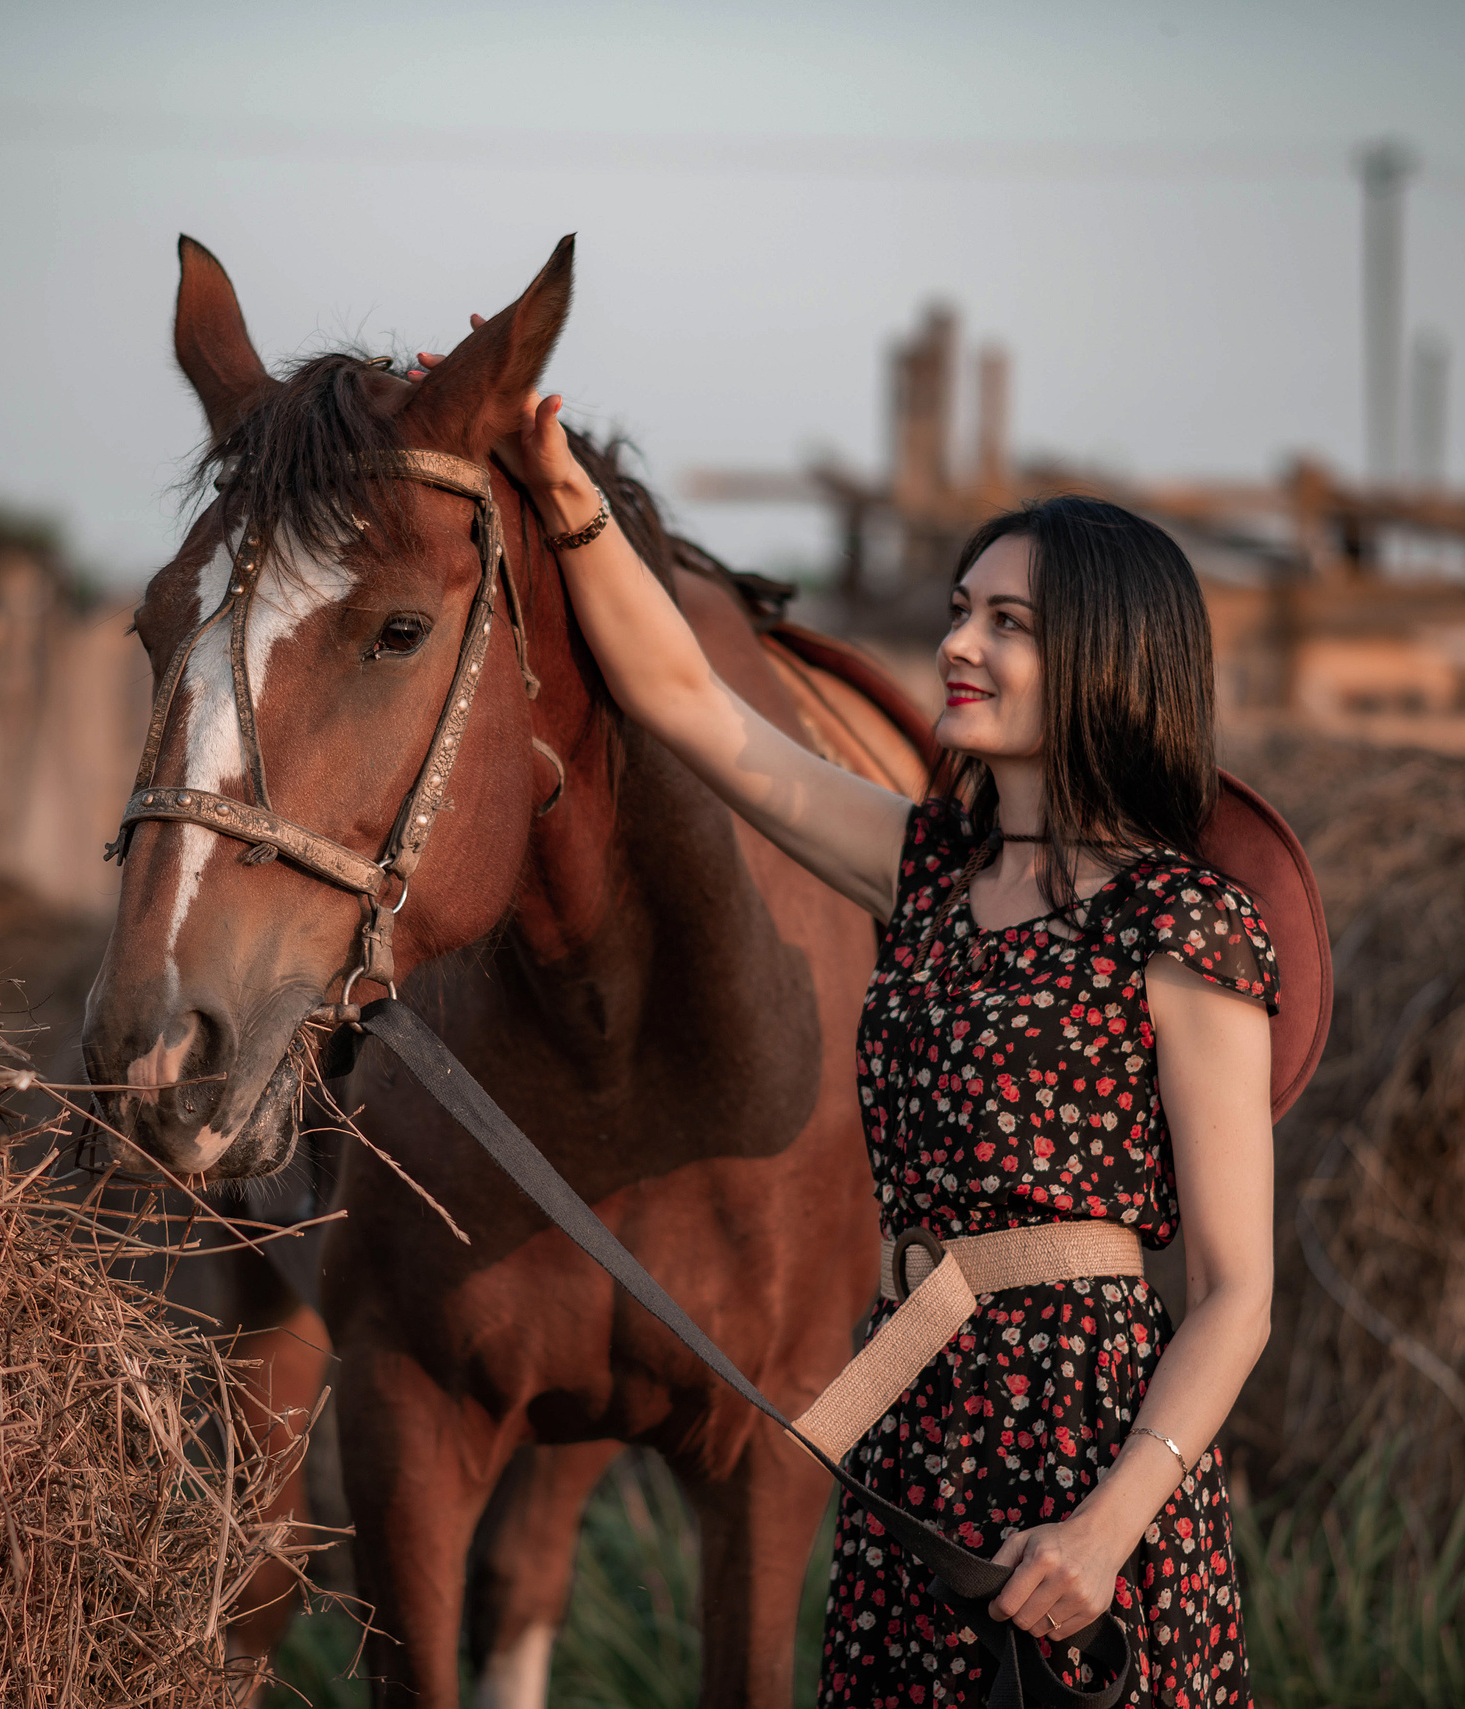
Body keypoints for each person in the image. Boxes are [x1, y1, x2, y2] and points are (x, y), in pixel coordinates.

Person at [414, 335, 1276, 1707]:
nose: (957, 645)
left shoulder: (1184, 927)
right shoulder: (928, 865)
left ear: (1109, 660)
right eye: (959, 609)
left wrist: (1110, 1529)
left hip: (1092, 1444)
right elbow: (690, 705)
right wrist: (556, 478)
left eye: (1008, 624)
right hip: (911, 1416)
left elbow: (1236, 1294)